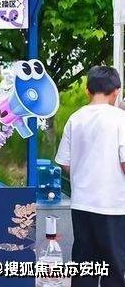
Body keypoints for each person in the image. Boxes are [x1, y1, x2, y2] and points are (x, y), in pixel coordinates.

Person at [55, 65, 125, 287]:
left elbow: (64, 162)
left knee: (84, 266)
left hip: (82, 204)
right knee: (114, 267)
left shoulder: (75, 118)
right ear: (117, 91)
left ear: (87, 90)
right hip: (114, 206)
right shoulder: (120, 119)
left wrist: (83, 174)